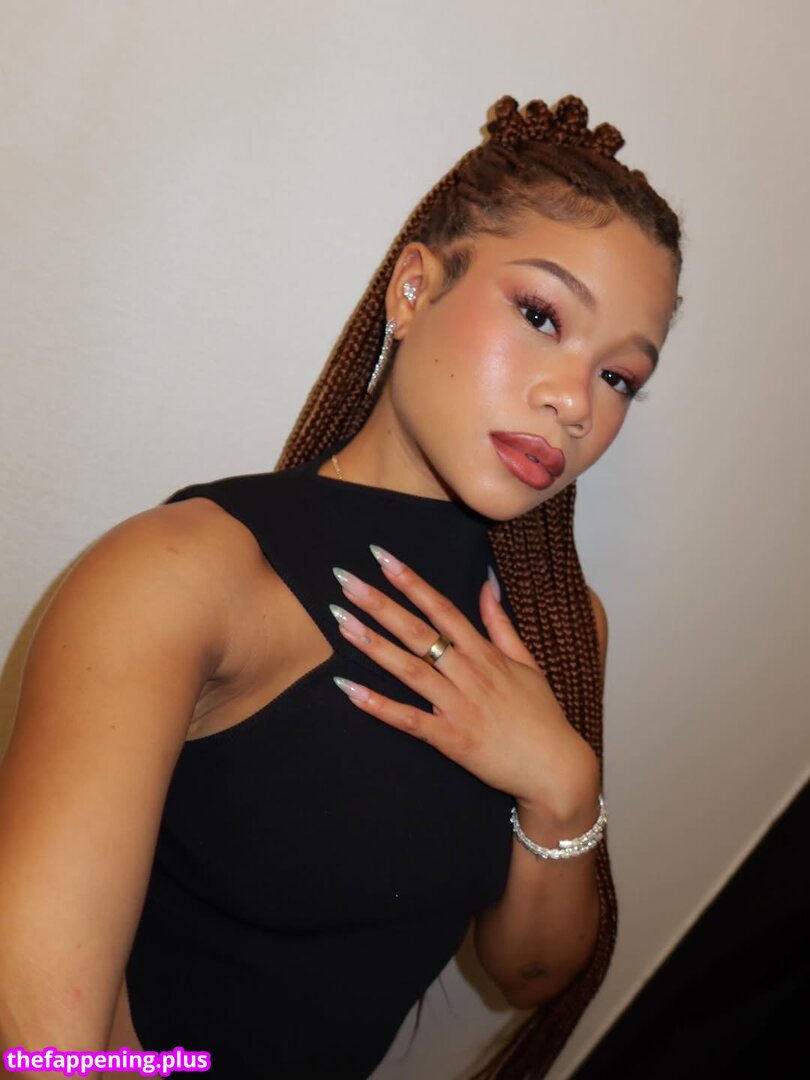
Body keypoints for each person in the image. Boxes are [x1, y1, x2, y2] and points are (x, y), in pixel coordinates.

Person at [0, 94, 682, 1079]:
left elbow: (530, 972)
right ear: (413, 289)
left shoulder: (558, 629)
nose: (574, 401)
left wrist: (564, 790)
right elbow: (44, 1048)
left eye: (619, 377)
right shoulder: (179, 577)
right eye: (541, 316)